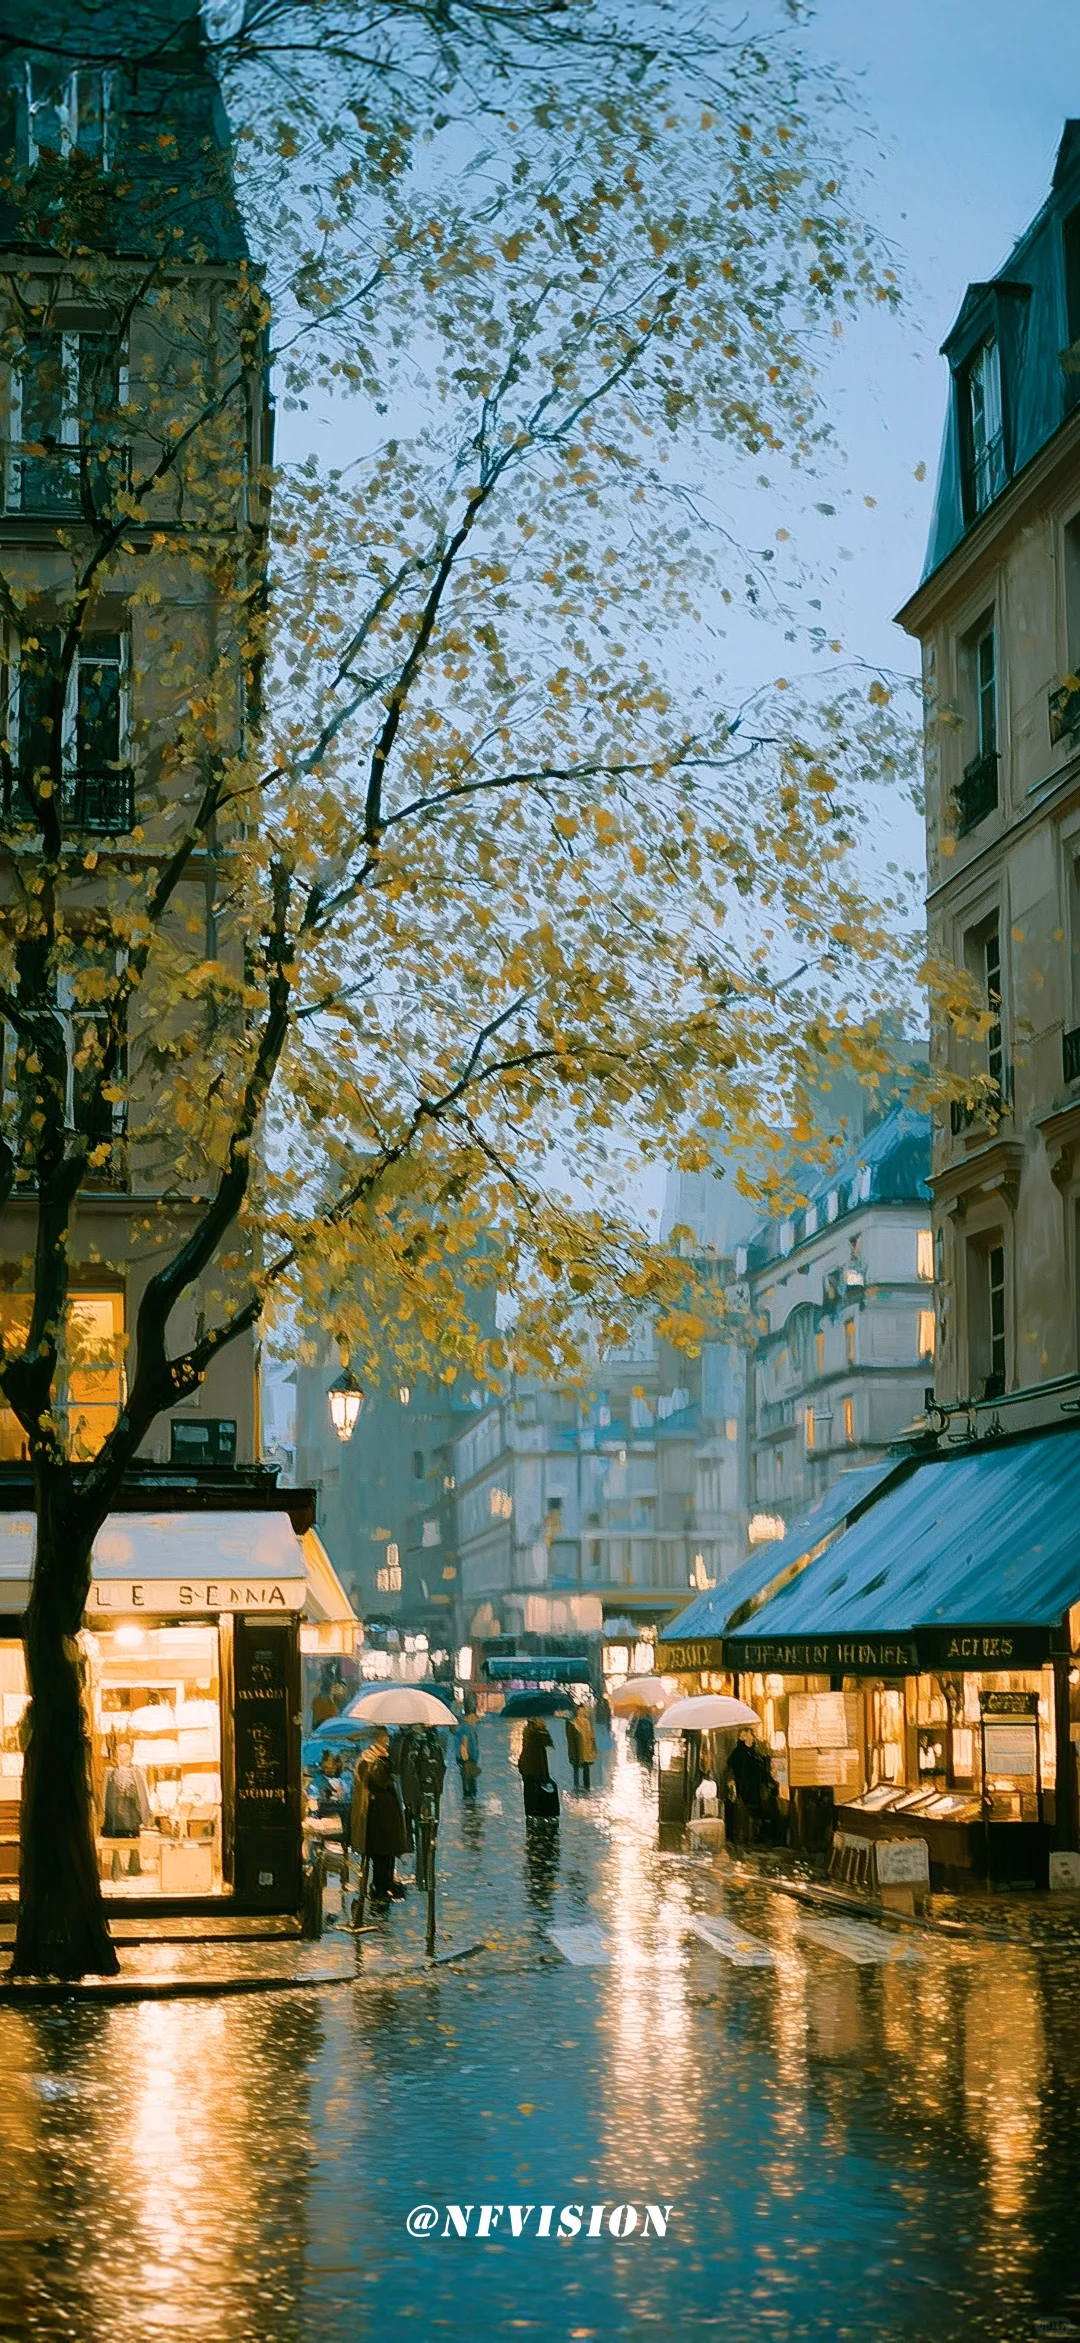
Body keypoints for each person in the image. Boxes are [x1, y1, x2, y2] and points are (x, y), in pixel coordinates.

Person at [350, 1728, 409, 1903]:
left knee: (388, 1852)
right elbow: (378, 1782)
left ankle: (388, 1883)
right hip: (376, 1815)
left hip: (386, 1813)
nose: (387, 1741)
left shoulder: (382, 1757)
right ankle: (380, 1887)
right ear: (377, 1738)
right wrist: (385, 1763)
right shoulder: (369, 1758)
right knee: (381, 1854)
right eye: (385, 1737)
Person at [517, 1718, 558, 1820]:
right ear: (535, 1721)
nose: (544, 1721)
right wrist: (544, 1732)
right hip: (535, 1769)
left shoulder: (529, 1731)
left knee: (530, 1792)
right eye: (541, 1720)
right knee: (536, 1791)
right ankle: (537, 1813)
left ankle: (531, 1813)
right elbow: (548, 1743)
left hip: (528, 1768)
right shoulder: (536, 1734)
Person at [566, 1701, 598, 1791]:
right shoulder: (573, 1723)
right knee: (576, 1767)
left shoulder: (587, 1723)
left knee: (586, 1767)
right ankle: (576, 1784)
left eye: (583, 1710)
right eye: (580, 1711)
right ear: (577, 1711)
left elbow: (591, 1736)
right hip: (577, 1749)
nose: (582, 1712)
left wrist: (593, 1747)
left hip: (586, 1748)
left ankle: (586, 1785)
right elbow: (571, 1738)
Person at [455, 1711, 481, 1803]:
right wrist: (465, 1758)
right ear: (468, 1716)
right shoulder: (466, 1728)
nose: (476, 1719)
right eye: (474, 1716)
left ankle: (469, 1796)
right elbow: (464, 1743)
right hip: (468, 1759)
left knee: (469, 1778)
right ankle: (469, 1797)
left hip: (468, 1758)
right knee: (468, 1779)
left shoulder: (467, 1727)